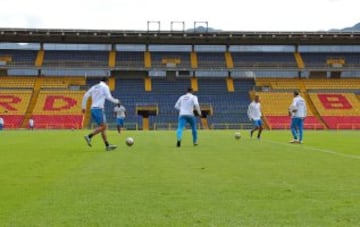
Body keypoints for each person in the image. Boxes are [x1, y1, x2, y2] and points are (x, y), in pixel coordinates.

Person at [82, 77, 120, 151]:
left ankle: (107, 145)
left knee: (103, 128)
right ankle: (89, 136)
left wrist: (83, 107)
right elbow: (109, 97)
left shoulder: (94, 87)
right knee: (103, 127)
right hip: (98, 109)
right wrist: (117, 101)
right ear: (107, 81)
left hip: (93, 109)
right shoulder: (105, 87)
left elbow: (86, 96)